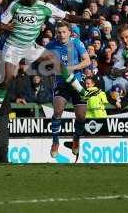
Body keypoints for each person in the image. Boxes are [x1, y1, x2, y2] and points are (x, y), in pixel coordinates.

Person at [0, 0, 100, 161]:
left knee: (56, 62)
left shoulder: (44, 7)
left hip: (30, 47)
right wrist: (2, 29)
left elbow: (68, 17)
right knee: (8, 79)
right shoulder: (15, 5)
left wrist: (89, 21)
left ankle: (81, 90)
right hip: (13, 47)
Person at [46, 21, 91, 158]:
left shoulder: (76, 43)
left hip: (77, 81)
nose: (61, 35)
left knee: (81, 115)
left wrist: (70, 69)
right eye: (59, 32)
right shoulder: (51, 45)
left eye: (64, 32)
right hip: (61, 83)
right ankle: (55, 141)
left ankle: (76, 139)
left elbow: (87, 61)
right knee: (58, 110)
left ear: (69, 32)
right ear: (56, 33)